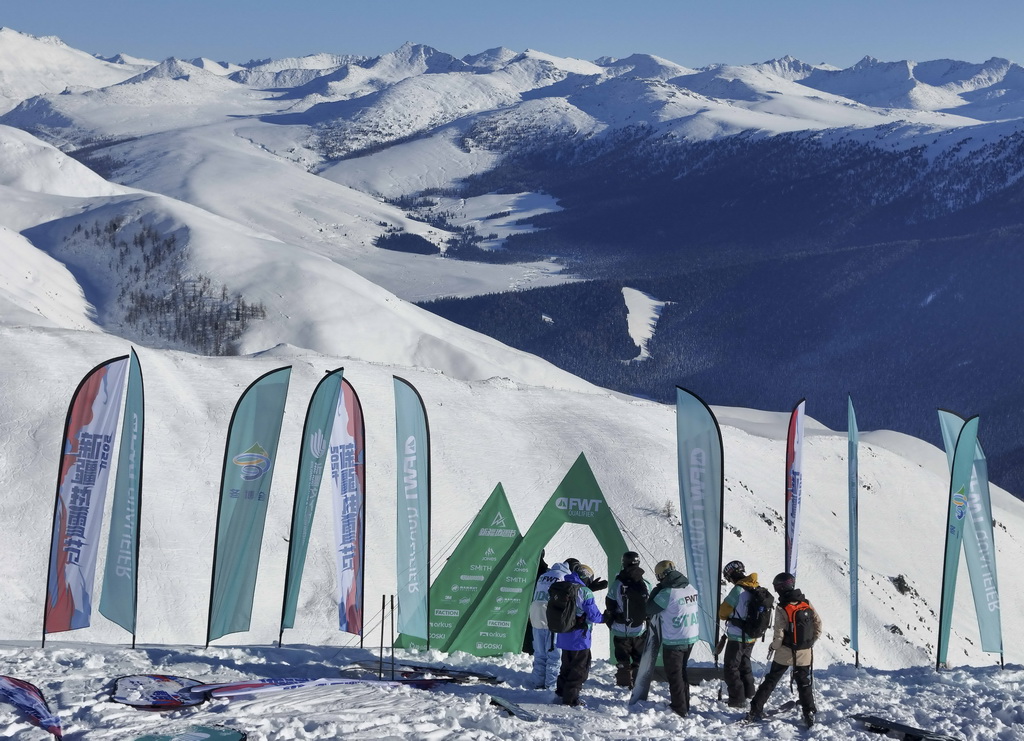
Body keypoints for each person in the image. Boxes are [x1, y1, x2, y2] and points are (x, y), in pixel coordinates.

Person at [747, 572, 822, 728]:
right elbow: (818, 624)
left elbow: (779, 633)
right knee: (804, 682)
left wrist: (773, 647)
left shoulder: (782, 607)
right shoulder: (805, 602)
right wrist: (810, 642)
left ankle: (755, 709)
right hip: (804, 651)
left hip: (786, 650)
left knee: (772, 679)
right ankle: (809, 712)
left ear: (780, 588)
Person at [646, 560, 699, 717]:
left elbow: (649, 609)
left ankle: (679, 708)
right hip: (690, 636)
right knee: (682, 671)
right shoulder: (690, 587)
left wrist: (657, 590)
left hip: (674, 639)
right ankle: (685, 703)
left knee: (675, 675)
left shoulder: (667, 593)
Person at [554, 562, 606, 707]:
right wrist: (606, 618)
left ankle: (560, 693)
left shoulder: (563, 586)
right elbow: (593, 615)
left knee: (565, 666)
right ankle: (571, 699)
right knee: (578, 669)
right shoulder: (584, 591)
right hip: (580, 637)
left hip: (563, 634)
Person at [605, 551, 652, 688]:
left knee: (622, 659)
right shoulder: (646, 583)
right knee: (639, 657)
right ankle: (639, 682)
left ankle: (624, 683)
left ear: (623, 563)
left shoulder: (618, 584)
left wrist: (611, 620)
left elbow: (610, 604)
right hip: (639, 628)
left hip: (621, 630)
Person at [718, 559, 760, 708]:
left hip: (737, 636)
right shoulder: (755, 587)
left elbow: (723, 612)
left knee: (731, 667)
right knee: (745, 664)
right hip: (752, 635)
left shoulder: (738, 590)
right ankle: (749, 693)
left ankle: (737, 699)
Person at [528, 559, 570, 689]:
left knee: (539, 651)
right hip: (552, 616)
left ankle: (537, 682)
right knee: (554, 653)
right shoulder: (564, 577)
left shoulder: (544, 576)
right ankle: (551, 685)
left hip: (535, 614)